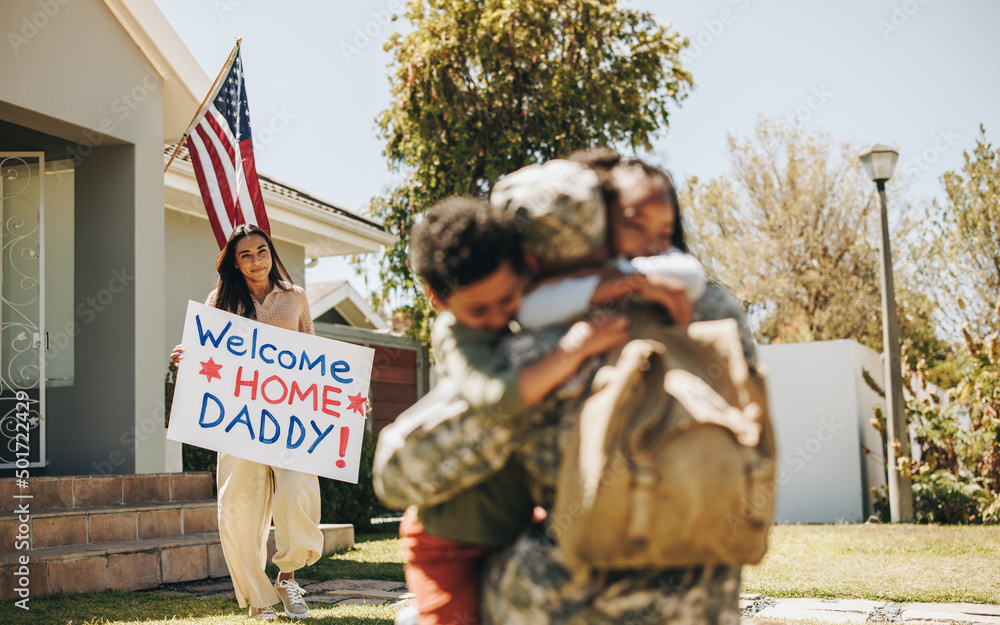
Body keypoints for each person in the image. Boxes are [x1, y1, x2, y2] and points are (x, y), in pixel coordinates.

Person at [377, 155, 758, 625]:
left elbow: (398, 472)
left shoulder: (547, 344)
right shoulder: (716, 310)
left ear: (524, 259)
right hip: (708, 589)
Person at [397, 196, 630, 625]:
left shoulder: (530, 314)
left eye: (507, 299)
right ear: (438, 299)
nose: (498, 317)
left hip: (518, 530)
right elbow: (496, 397)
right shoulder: (456, 333)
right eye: (479, 309)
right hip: (448, 542)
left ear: (525, 268)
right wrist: (576, 346)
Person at [171, 224, 321, 621]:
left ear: (271, 253)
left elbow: (313, 355)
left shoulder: (295, 298)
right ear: (234, 264)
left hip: (289, 418)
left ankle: (286, 577)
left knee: (297, 491)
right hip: (238, 419)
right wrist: (188, 358)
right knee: (240, 506)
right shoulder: (220, 299)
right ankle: (258, 599)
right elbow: (205, 353)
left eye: (262, 251)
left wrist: (341, 399)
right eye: (246, 255)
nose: (256, 261)